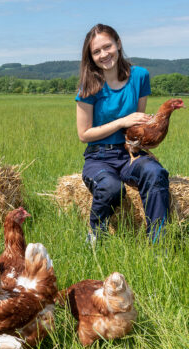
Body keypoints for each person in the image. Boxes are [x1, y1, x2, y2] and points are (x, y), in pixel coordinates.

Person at [76, 24, 169, 243]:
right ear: (91, 57)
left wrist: (154, 127)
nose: (103, 54)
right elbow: (84, 134)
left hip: (129, 152)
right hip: (99, 157)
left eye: (107, 46)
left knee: (155, 173)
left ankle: (158, 245)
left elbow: (137, 124)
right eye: (96, 51)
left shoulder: (140, 76)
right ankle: (96, 235)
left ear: (118, 43)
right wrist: (120, 122)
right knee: (111, 187)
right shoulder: (88, 86)